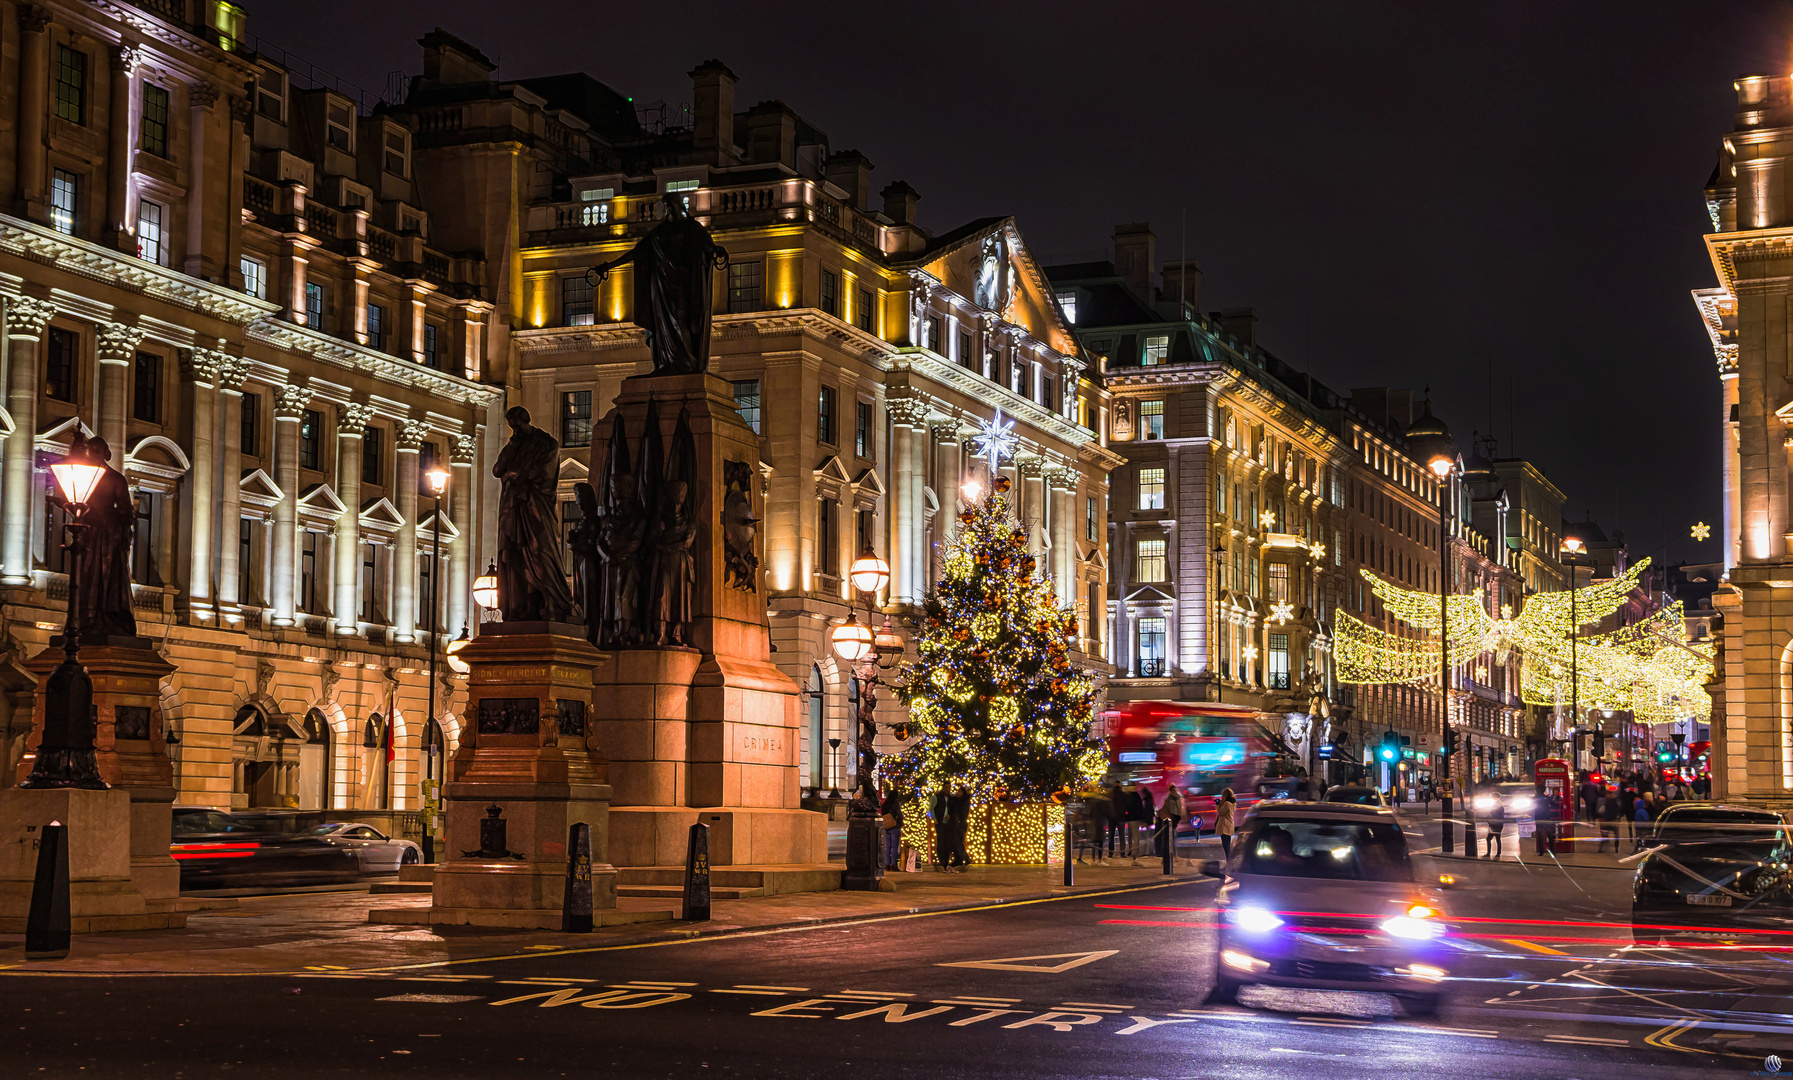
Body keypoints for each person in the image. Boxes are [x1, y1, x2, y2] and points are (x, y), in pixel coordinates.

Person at [946, 785, 973, 870]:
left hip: (959, 825)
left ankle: (965, 858)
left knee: (957, 842)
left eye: (960, 792)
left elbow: (961, 814)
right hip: (954, 824)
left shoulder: (963, 802)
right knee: (954, 842)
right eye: (958, 791)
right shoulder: (956, 800)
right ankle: (959, 859)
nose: (958, 793)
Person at [879, 785, 905, 871]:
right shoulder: (896, 804)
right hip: (895, 826)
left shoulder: (886, 804)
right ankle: (893, 865)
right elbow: (899, 814)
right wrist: (901, 822)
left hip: (886, 826)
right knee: (894, 847)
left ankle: (886, 864)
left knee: (887, 847)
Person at [1157, 784, 1185, 862]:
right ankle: (1171, 855)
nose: (1175, 791)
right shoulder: (1168, 799)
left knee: (1173, 838)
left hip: (1175, 819)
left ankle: (1174, 855)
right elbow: (1166, 809)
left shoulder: (1178, 798)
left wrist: (1180, 816)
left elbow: (1180, 809)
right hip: (1170, 820)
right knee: (1171, 839)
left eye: (1176, 790)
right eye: (1174, 790)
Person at [1107, 781, 1130, 857]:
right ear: (1120, 786)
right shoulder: (1124, 795)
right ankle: (1122, 852)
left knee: (1111, 836)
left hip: (1111, 818)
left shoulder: (1110, 795)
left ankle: (1111, 852)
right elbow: (1126, 806)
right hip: (1121, 818)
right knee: (1122, 835)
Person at [1596, 788, 1621, 854]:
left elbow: (1600, 810)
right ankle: (1616, 849)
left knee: (1604, 836)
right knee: (1616, 835)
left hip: (1606, 821)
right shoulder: (1617, 800)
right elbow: (1619, 809)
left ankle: (1600, 849)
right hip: (1614, 820)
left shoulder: (1603, 800)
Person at [1135, 783, 1156, 862]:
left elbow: (1147, 812)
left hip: (1147, 820)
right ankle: (1149, 850)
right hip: (1149, 820)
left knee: (1146, 837)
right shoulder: (1150, 800)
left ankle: (1147, 851)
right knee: (1148, 836)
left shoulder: (1146, 802)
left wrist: (1144, 821)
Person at [1216, 788, 1238, 862]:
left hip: (1224, 825)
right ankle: (1229, 861)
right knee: (1227, 845)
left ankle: (1229, 861)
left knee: (1226, 846)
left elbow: (1220, 813)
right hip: (1229, 824)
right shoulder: (1232, 803)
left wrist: (1217, 805)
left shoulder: (1227, 804)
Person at [1484, 792, 1507, 858]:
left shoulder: (1497, 805)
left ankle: (1489, 853)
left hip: (1495, 824)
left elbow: (1494, 814)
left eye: (1492, 797)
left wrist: (1489, 817)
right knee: (1497, 838)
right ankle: (1498, 853)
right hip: (1498, 824)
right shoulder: (1499, 804)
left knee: (1489, 838)